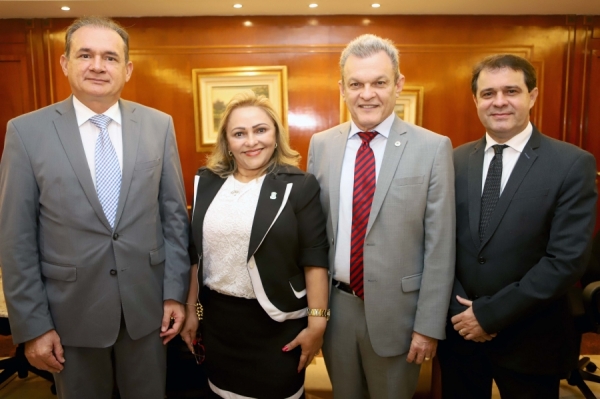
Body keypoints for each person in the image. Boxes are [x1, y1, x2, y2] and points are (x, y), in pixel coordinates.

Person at [0, 16, 190, 399]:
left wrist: (174, 294)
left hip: (147, 309)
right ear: (64, 63)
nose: (98, 66)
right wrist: (33, 326)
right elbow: (15, 238)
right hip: (70, 314)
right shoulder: (26, 132)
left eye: (110, 57)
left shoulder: (159, 125)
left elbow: (174, 219)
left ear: (128, 69)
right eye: (85, 55)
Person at [437, 54, 597, 399]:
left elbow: (565, 260)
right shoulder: (453, 160)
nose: (499, 102)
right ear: (475, 100)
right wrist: (459, 312)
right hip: (460, 334)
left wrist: (489, 315)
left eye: (511, 91)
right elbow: (438, 243)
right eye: (488, 93)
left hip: (532, 336)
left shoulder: (572, 164)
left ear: (532, 96)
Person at [307, 34, 455, 398]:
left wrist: (427, 326)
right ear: (342, 88)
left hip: (400, 316)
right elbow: (313, 236)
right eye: (356, 84)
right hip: (337, 311)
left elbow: (440, 247)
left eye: (379, 82)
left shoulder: (433, 147)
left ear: (399, 85)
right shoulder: (321, 145)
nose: (367, 94)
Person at [180, 91, 329, 399]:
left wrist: (317, 324)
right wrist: (191, 310)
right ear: (227, 142)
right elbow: (196, 254)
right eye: (239, 133)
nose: (251, 141)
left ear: (275, 134)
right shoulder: (206, 183)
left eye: (260, 130)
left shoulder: (299, 186)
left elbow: (314, 260)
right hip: (220, 325)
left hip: (277, 328)